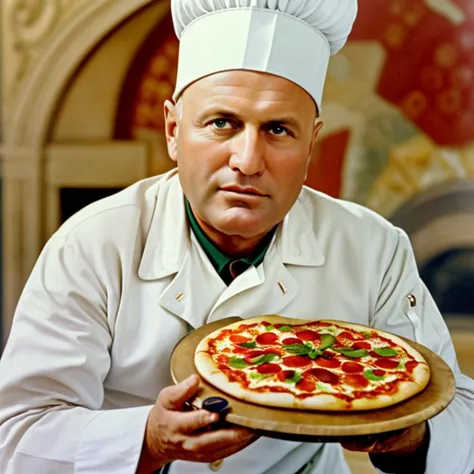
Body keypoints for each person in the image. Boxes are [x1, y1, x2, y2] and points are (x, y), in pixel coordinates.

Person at [0, 0, 473, 473]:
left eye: (278, 129)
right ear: (172, 130)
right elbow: (17, 437)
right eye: (222, 123)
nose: (247, 160)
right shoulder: (93, 243)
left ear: (311, 144)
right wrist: (148, 439)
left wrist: (411, 435)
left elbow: (460, 418)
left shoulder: (373, 248)